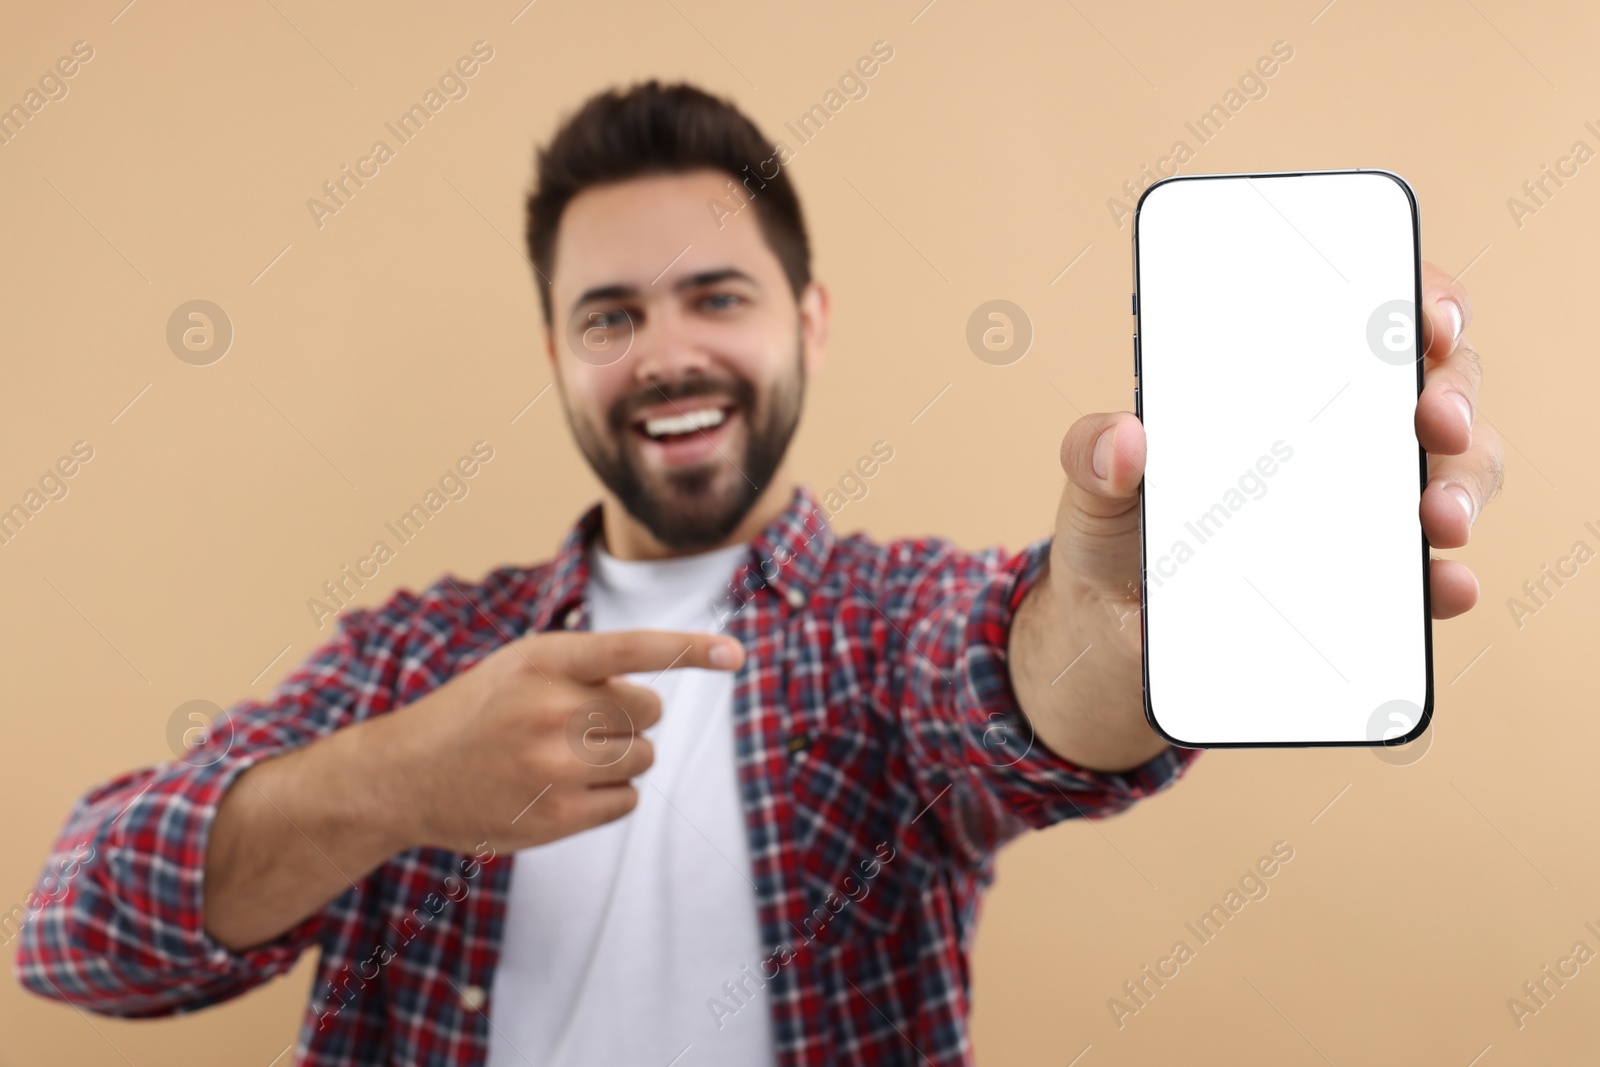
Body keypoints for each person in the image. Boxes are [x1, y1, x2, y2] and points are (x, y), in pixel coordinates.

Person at [14, 80, 1500, 1066]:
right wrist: (398, 781)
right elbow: (74, 936)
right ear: (558, 355)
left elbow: (1020, 688)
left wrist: (1119, 636)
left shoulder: (885, 623)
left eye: (715, 295)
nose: (665, 351)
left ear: (809, 318)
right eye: (609, 315)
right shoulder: (413, 661)